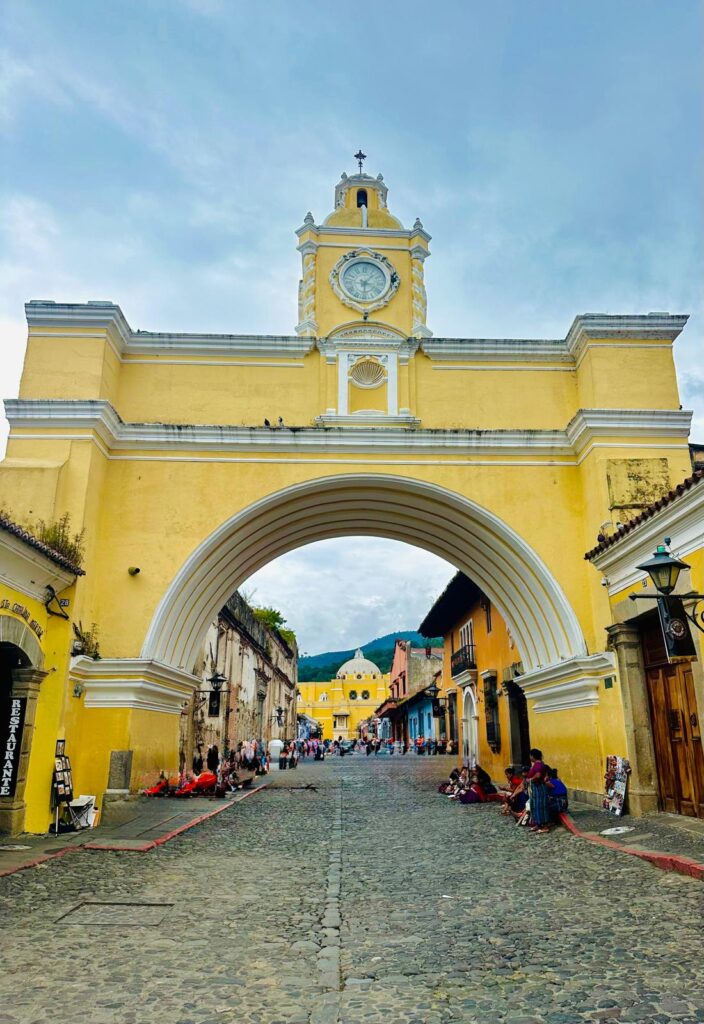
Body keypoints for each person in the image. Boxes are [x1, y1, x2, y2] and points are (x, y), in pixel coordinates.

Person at [526, 748, 550, 833]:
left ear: (533, 756)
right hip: (536, 788)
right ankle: (538, 824)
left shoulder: (538, 765)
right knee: (535, 806)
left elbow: (538, 775)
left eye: (530, 755)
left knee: (540, 806)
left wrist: (530, 780)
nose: (529, 757)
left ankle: (545, 826)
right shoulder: (539, 764)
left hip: (538, 788)